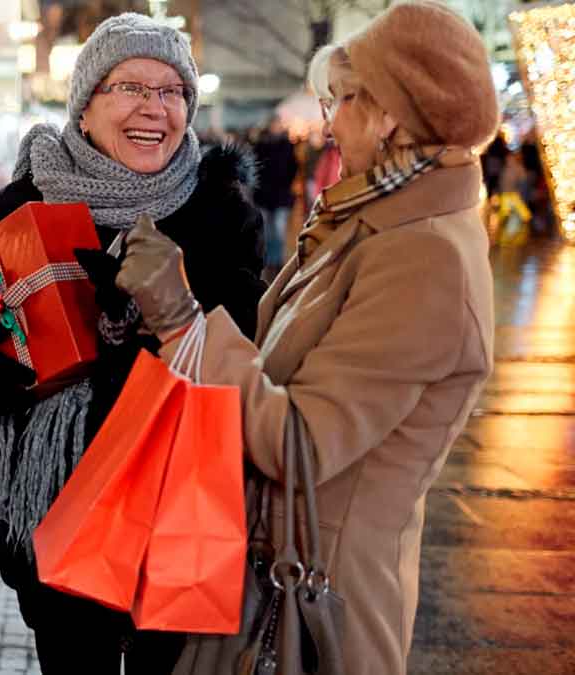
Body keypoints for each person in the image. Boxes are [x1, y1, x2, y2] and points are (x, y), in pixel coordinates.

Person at [114, 3, 497, 674]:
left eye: (343, 99)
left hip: (311, 611)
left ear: (390, 115)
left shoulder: (423, 258)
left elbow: (300, 441)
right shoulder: (365, 221)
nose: (328, 120)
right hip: (264, 571)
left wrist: (181, 319)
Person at [0, 13, 265, 674]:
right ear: (84, 107)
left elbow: (243, 352)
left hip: (176, 513)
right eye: (131, 86)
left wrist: (141, 323)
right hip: (56, 516)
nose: (154, 108)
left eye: (172, 93)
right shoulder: (26, 203)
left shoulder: (222, 212)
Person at [253, 117, 299, 270]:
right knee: (266, 229)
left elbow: (293, 167)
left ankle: (278, 259)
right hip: (264, 195)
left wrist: (287, 183)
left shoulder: (287, 146)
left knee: (279, 228)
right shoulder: (261, 145)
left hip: (281, 194)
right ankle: (269, 259)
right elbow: (255, 168)